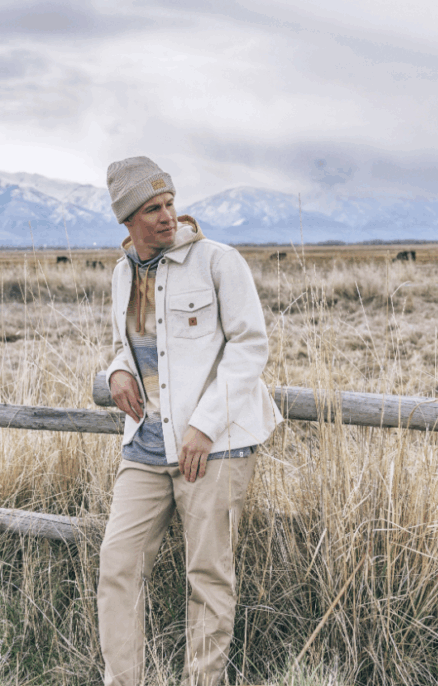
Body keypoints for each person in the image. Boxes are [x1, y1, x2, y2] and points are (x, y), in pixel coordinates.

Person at [97, 156, 282, 686]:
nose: (167, 216)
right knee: (118, 566)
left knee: (208, 576)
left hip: (213, 445)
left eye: (170, 203)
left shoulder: (218, 262)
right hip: (146, 444)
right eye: (152, 208)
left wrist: (205, 425)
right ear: (127, 218)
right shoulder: (122, 274)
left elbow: (250, 346)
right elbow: (130, 345)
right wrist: (116, 371)